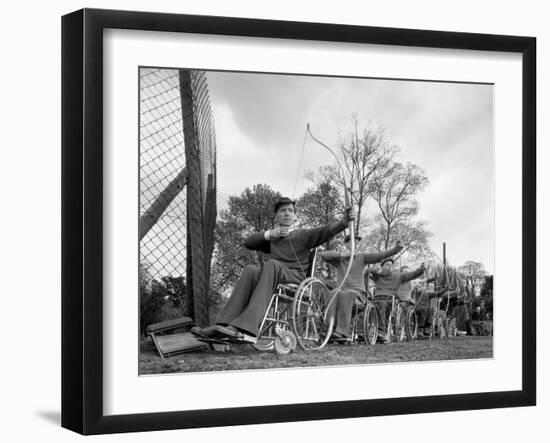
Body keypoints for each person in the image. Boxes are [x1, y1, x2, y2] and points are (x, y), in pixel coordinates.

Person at [191, 196, 355, 344]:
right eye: (283, 210)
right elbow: (248, 243)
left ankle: (247, 327)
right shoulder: (273, 237)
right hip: (272, 277)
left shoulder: (304, 235)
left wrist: (344, 222)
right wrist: (269, 235)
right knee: (250, 269)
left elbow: (327, 231)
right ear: (276, 216)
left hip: (295, 279)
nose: (287, 213)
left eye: (290, 211)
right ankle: (223, 325)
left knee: (271, 265)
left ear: (295, 216)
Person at [320, 236, 403, 342]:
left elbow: (380, 256)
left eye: (357, 242)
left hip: (358, 294)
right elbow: (323, 255)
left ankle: (342, 331)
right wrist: (341, 255)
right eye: (353, 241)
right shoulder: (339, 259)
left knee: (347, 294)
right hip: (341, 290)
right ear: (346, 244)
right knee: (334, 292)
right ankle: (329, 328)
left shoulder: (362, 257)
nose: (356, 244)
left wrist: (395, 249)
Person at [369, 259, 425, 342]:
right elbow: (369, 270)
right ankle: (369, 330)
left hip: (390, 299)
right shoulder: (378, 275)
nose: (390, 266)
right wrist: (378, 270)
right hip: (376, 298)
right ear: (382, 267)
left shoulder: (398, 275)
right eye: (387, 265)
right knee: (370, 305)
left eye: (391, 265)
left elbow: (412, 274)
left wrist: (421, 269)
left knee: (382, 305)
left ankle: (381, 331)